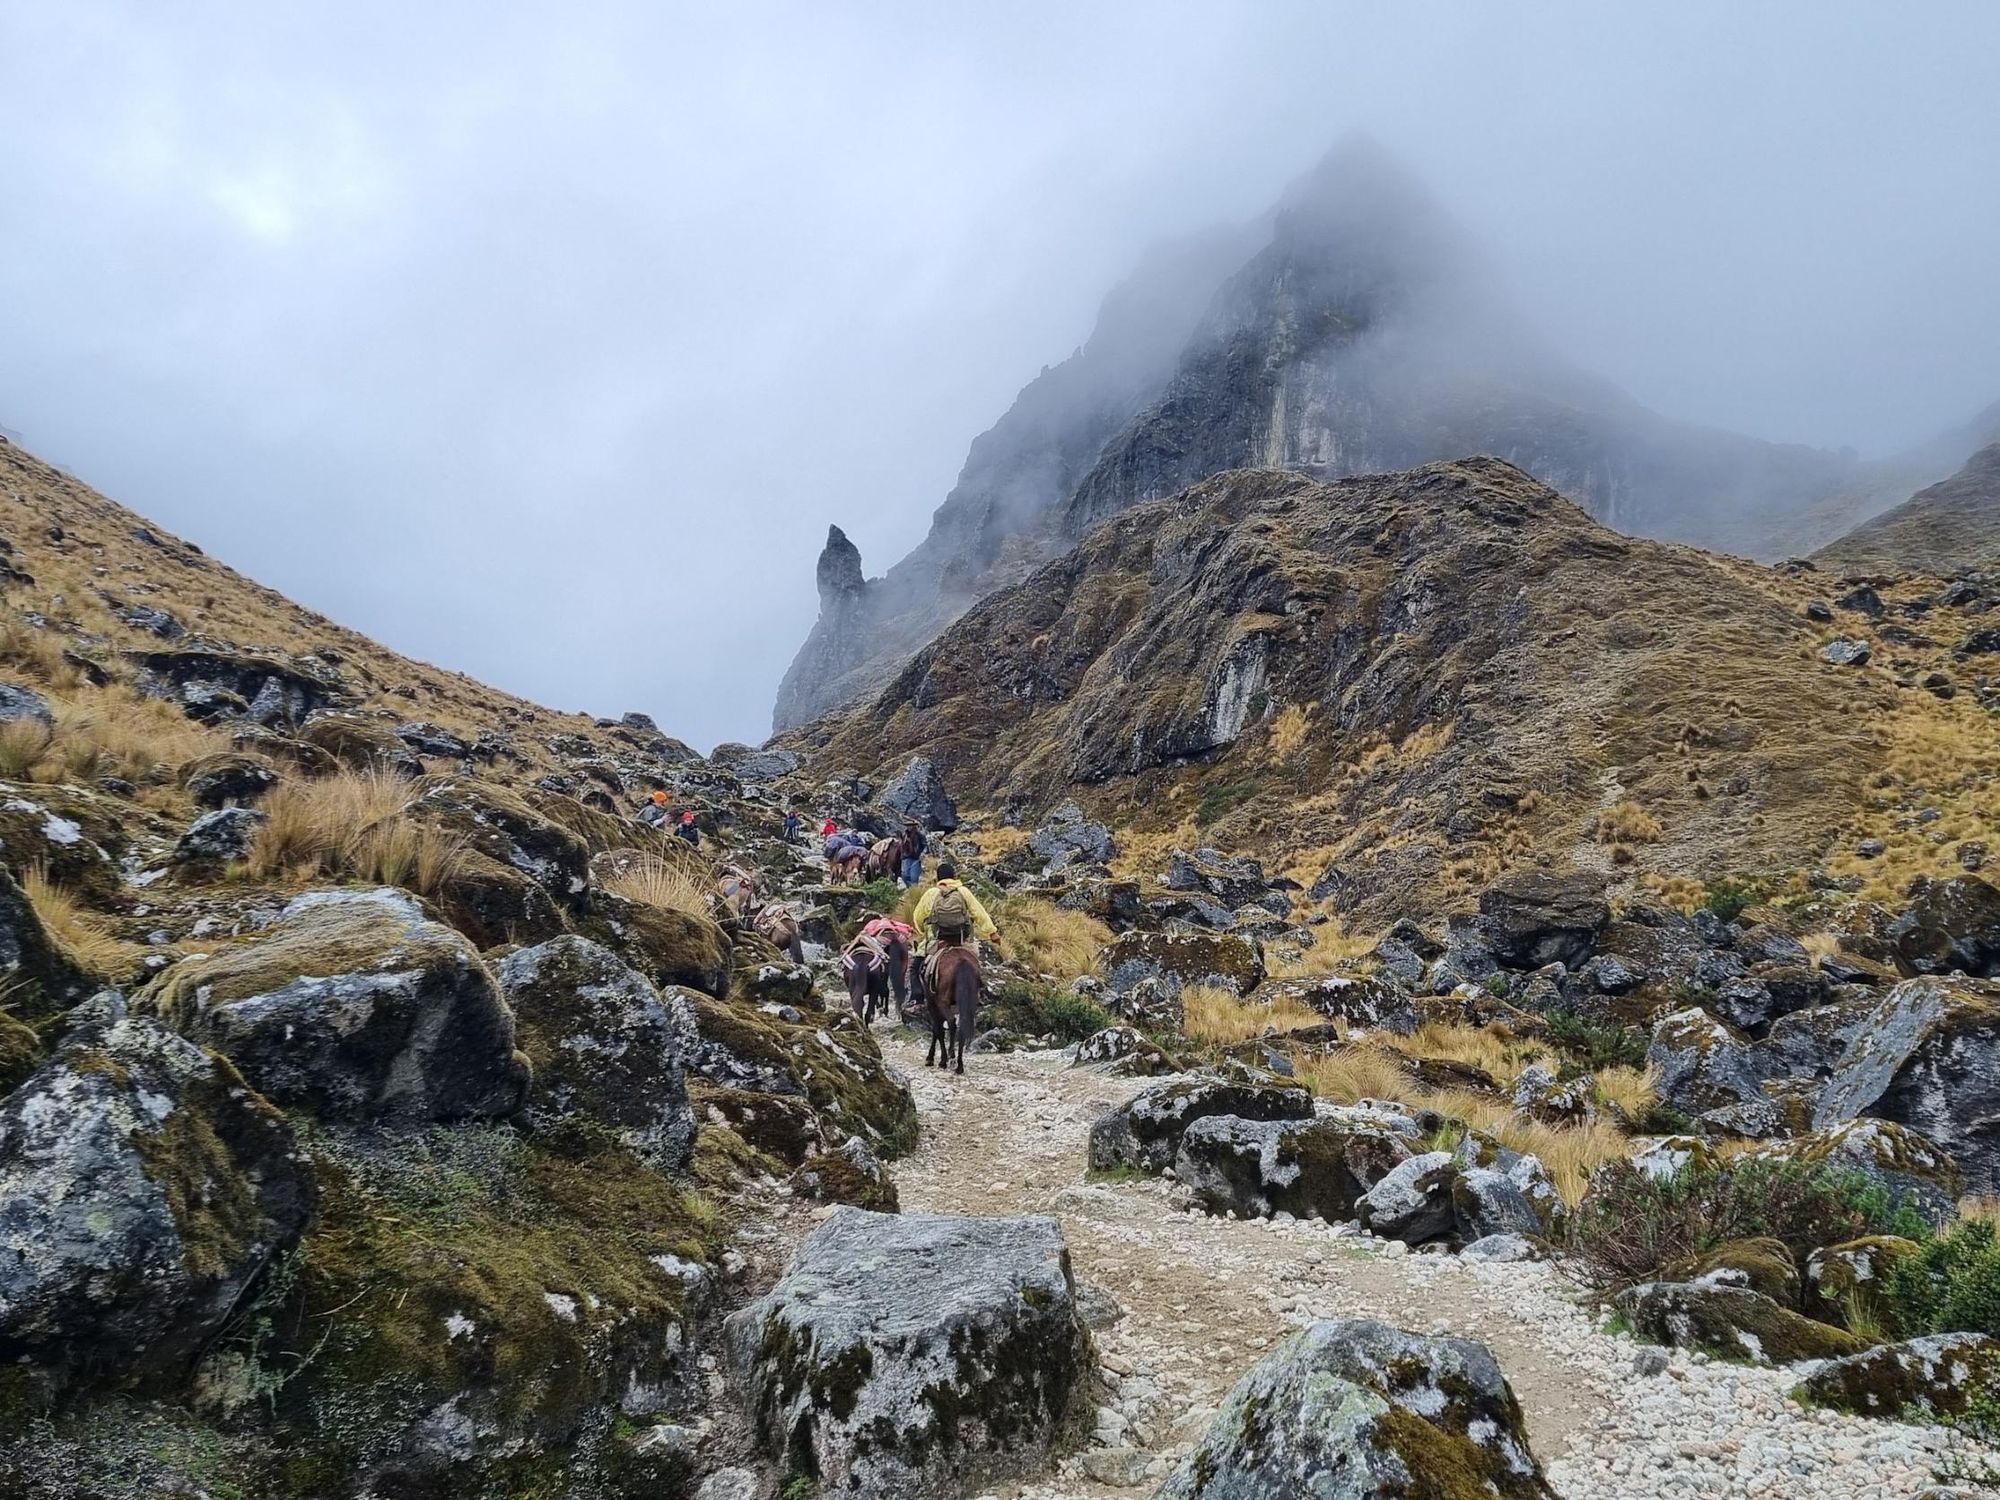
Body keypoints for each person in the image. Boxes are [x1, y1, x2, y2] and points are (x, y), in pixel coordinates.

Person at [911, 861, 997, 948]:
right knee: (973, 954)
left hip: (937, 936)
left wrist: (922, 931)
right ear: (954, 877)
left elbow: (918, 916)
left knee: (920, 957)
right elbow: (979, 913)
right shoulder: (963, 891)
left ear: (938, 878)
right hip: (962, 936)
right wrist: (992, 933)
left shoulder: (931, 893)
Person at [899, 818, 927, 888]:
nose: (909, 827)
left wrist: (922, 854)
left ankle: (914, 892)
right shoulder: (904, 835)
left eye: (910, 825)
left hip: (916, 858)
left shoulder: (919, 835)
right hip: (906, 858)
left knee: (914, 877)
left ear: (914, 826)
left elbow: (925, 846)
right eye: (908, 825)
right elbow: (902, 846)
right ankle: (910, 889)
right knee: (905, 876)